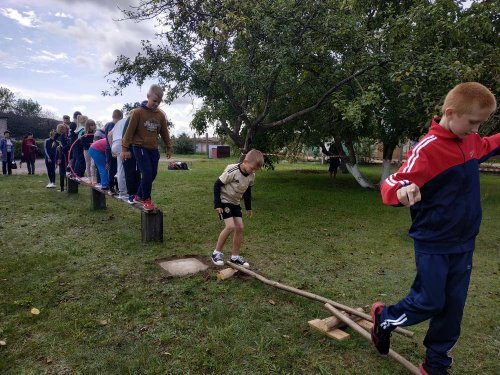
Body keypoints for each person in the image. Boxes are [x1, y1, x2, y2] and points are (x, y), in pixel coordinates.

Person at [372, 82, 499, 375]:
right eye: (472, 123)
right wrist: (401, 192)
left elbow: (491, 143)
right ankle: (385, 318)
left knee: (452, 308)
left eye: (481, 124)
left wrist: (482, 134)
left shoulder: (470, 141)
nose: (476, 130)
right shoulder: (427, 149)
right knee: (429, 300)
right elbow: (393, 182)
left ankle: (436, 363)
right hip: (434, 243)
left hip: (464, 243)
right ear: (451, 113)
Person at [121, 84, 172, 211]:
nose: (156, 104)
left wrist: (168, 146)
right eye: (154, 101)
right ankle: (146, 199)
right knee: (147, 173)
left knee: (153, 173)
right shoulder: (138, 113)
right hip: (139, 147)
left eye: (159, 102)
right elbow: (129, 132)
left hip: (153, 149)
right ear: (148, 97)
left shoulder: (160, 115)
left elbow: (164, 132)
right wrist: (124, 149)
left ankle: (138, 195)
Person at [211, 149, 264, 269]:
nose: (253, 171)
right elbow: (217, 184)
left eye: (256, 169)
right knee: (230, 226)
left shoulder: (251, 175)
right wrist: (217, 204)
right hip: (224, 200)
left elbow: (248, 190)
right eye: (252, 168)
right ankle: (216, 253)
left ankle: (235, 257)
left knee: (240, 227)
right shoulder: (232, 171)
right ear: (245, 162)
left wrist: (248, 207)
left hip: (235, 202)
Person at [104, 110, 124, 195]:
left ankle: (116, 187)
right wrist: (112, 149)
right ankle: (111, 188)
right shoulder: (112, 125)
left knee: (116, 168)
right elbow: (109, 135)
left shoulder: (109, 124)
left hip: (111, 149)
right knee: (112, 169)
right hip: (110, 149)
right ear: (119, 118)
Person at [109, 117, 129, 200]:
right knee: (122, 169)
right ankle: (122, 192)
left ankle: (118, 178)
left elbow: (109, 134)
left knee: (120, 167)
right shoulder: (133, 118)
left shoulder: (120, 121)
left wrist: (111, 148)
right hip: (123, 142)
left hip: (115, 143)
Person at [54, 123, 71, 192]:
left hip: (62, 156)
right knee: (67, 172)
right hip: (65, 155)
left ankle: (62, 188)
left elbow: (60, 148)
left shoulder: (60, 137)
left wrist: (58, 158)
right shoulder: (65, 136)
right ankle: (66, 187)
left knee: (63, 172)